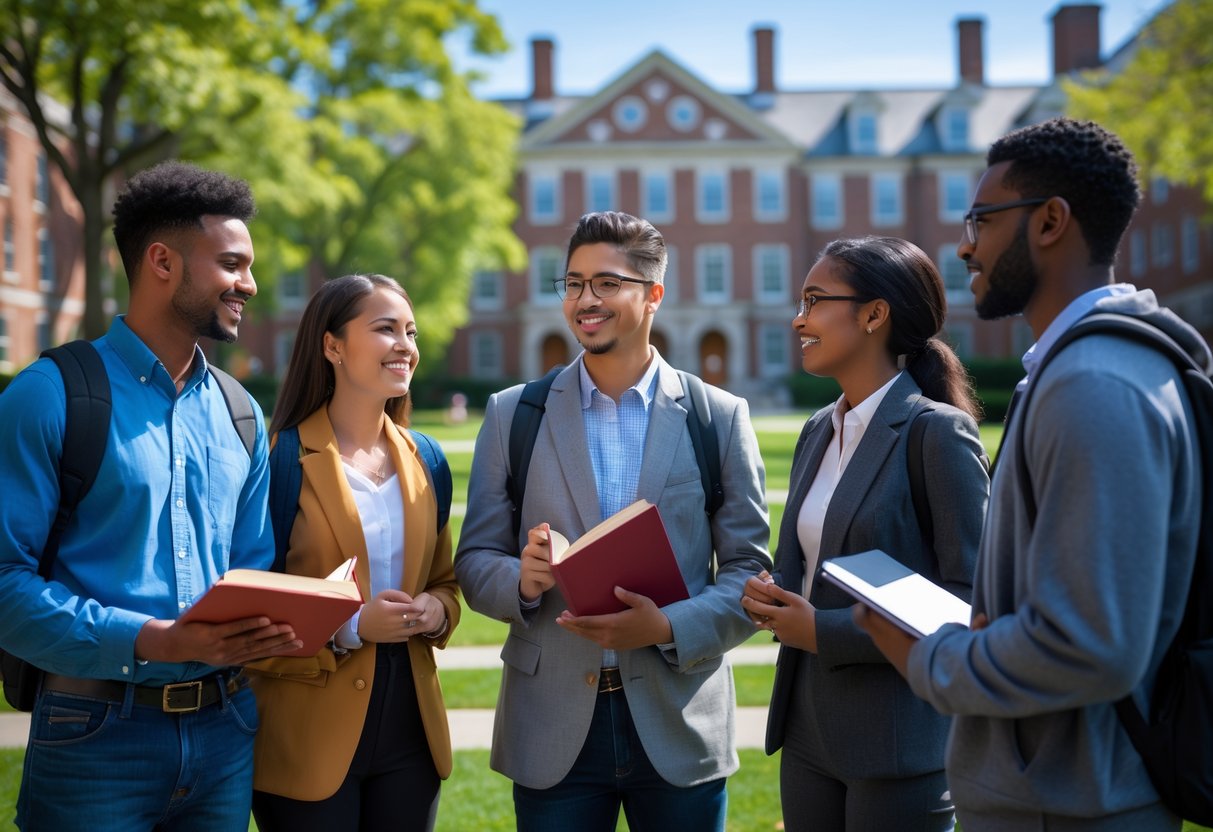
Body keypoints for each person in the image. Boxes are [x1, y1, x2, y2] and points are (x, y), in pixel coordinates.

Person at [856, 117, 1210, 831]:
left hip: (1070, 803)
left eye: (981, 220)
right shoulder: (1095, 369)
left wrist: (932, 655)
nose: (962, 245)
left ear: (1049, 222)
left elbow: (1089, 647)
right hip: (1064, 792)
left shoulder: (1094, 385)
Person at [0, 161, 300, 830]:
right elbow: (2, 583)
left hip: (226, 732)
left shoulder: (240, 411)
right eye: (231, 264)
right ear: (162, 262)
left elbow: (252, 567)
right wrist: (152, 639)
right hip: (93, 735)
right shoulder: (47, 397)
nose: (248, 284)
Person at [454, 210, 771, 831]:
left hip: (680, 719)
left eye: (606, 284)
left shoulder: (718, 417)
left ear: (653, 294)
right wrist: (521, 579)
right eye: (572, 284)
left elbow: (749, 573)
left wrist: (667, 626)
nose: (584, 301)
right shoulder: (512, 414)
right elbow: (472, 562)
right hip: (550, 728)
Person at [739, 236, 989, 831]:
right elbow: (811, 561)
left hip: (899, 743)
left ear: (875, 314)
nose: (798, 318)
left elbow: (968, 603)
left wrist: (819, 630)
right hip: (805, 732)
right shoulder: (816, 432)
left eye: (815, 299)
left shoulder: (937, 434)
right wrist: (771, 597)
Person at [248, 274, 459, 831]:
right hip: (305, 737)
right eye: (385, 329)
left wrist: (438, 610)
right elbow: (244, 608)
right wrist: (353, 626)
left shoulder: (427, 460)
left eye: (410, 331)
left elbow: (445, 580)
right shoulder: (278, 461)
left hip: (412, 732)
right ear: (332, 345)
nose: (405, 345)